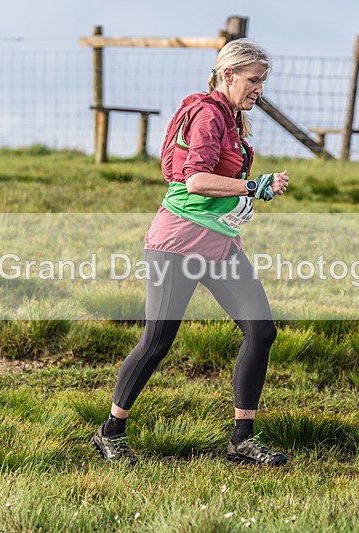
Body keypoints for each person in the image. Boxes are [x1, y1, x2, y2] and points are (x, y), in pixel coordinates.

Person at [91, 38, 289, 466]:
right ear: (228, 75)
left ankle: (241, 439)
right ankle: (110, 432)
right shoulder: (207, 114)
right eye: (254, 80)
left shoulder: (233, 118)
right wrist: (254, 186)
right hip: (178, 243)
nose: (260, 89)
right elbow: (196, 179)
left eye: (263, 81)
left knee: (261, 331)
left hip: (219, 244)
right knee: (157, 341)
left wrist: (247, 196)